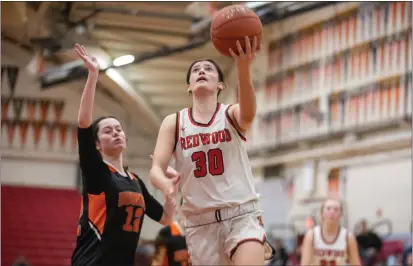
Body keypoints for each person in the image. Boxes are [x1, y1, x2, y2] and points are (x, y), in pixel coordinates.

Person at [150, 36, 272, 265]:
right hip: (199, 221)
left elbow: (248, 113)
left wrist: (243, 67)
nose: (201, 71)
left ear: (220, 85)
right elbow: (156, 168)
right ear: (189, 85)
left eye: (208, 69)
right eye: (196, 70)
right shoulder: (174, 122)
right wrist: (165, 185)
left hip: (240, 214)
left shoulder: (230, 115)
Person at [70, 44, 179, 266]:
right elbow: (83, 123)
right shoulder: (98, 173)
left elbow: (165, 218)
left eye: (119, 129)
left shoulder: (135, 181)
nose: (116, 133)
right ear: (97, 144)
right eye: (108, 131)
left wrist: (170, 195)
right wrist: (93, 75)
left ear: (126, 139)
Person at [300, 198, 361, 266]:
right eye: (328, 208)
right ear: (321, 213)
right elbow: (305, 263)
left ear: (341, 214)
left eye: (336, 209)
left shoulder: (348, 237)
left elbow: (355, 263)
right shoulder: (311, 235)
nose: (332, 212)